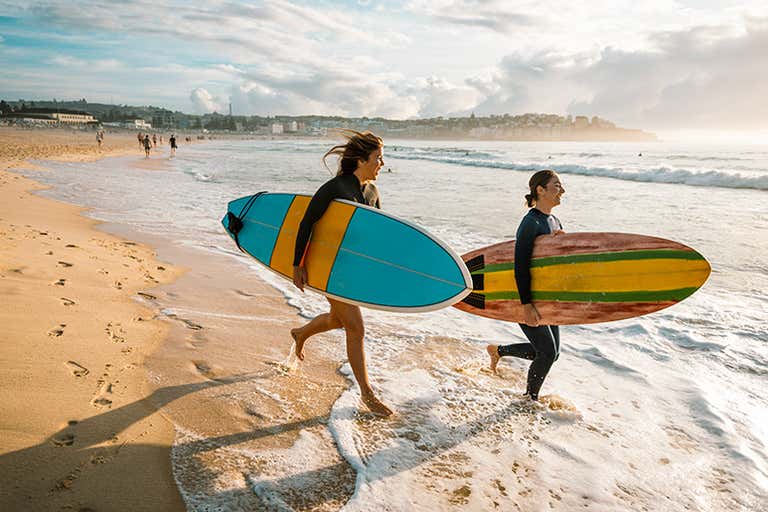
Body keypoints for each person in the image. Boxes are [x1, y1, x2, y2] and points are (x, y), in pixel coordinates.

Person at [290, 130, 392, 416]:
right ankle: (367, 395)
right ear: (361, 160)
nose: (381, 164)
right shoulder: (336, 187)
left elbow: (378, 232)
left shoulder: (372, 192)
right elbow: (307, 222)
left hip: (353, 271)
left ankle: (300, 333)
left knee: (338, 319)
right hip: (330, 269)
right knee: (356, 328)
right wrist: (298, 265)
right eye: (378, 158)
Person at [486, 170, 566, 402]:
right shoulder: (530, 222)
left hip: (546, 297)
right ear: (540, 190)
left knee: (553, 354)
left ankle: (498, 351)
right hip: (526, 297)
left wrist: (562, 242)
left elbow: (553, 263)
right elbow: (520, 266)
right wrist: (526, 305)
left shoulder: (554, 220)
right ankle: (529, 400)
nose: (562, 190)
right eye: (557, 185)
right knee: (547, 352)